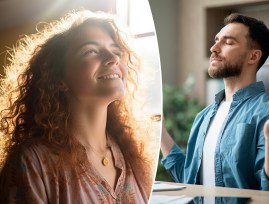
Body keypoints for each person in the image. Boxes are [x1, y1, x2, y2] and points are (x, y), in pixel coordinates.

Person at [0, 10, 155, 203]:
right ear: (59, 77)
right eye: (91, 51)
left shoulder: (133, 158)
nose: (113, 58)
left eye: (116, 51)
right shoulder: (33, 162)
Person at [160, 13, 269, 196]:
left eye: (228, 42)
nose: (213, 48)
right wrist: (160, 132)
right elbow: (189, 181)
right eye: (216, 40)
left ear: (253, 56)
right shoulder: (203, 117)